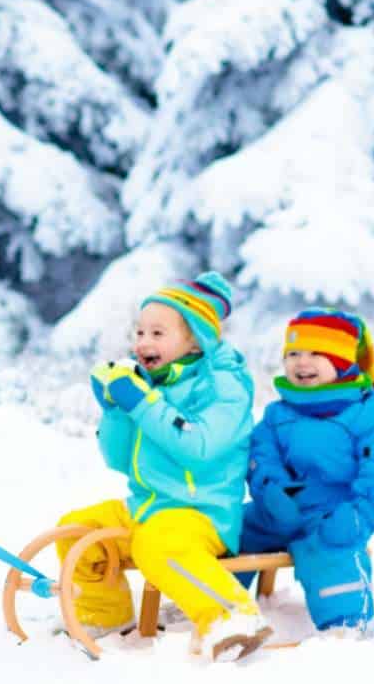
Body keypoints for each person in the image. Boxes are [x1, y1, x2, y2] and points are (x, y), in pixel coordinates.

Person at [59, 272, 273, 661]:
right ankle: (104, 614)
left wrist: (143, 404)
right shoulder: (155, 386)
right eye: (139, 333)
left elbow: (199, 447)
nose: (143, 343)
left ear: (196, 338)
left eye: (157, 333)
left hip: (200, 514)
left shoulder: (224, 385)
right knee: (76, 528)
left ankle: (232, 616)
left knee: (158, 544)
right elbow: (120, 461)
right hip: (150, 507)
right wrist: (116, 411)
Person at [237, 309, 374, 635]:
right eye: (293, 354)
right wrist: (270, 488)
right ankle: (212, 604)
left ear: (342, 362)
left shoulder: (368, 411)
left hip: (334, 512)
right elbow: (261, 454)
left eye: (316, 353)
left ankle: (342, 624)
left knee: (331, 551)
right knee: (230, 530)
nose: (302, 362)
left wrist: (362, 512)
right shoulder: (278, 412)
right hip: (280, 506)